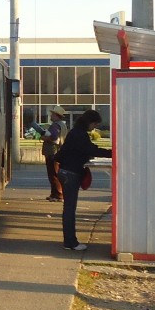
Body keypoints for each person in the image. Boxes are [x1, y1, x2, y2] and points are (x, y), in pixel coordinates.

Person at [56, 109, 113, 251]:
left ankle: (69, 241)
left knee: (68, 208)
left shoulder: (75, 132)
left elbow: (84, 150)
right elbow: (91, 150)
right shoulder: (80, 135)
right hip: (71, 173)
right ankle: (70, 242)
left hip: (65, 171)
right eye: (95, 124)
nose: (95, 127)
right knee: (70, 209)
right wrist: (113, 153)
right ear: (90, 122)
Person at [42, 105, 67, 201]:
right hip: (59, 151)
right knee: (55, 173)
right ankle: (54, 194)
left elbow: (54, 138)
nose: (51, 116)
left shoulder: (55, 125)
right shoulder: (62, 125)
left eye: (52, 114)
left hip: (52, 151)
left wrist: (44, 137)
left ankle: (58, 195)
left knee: (53, 174)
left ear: (56, 115)